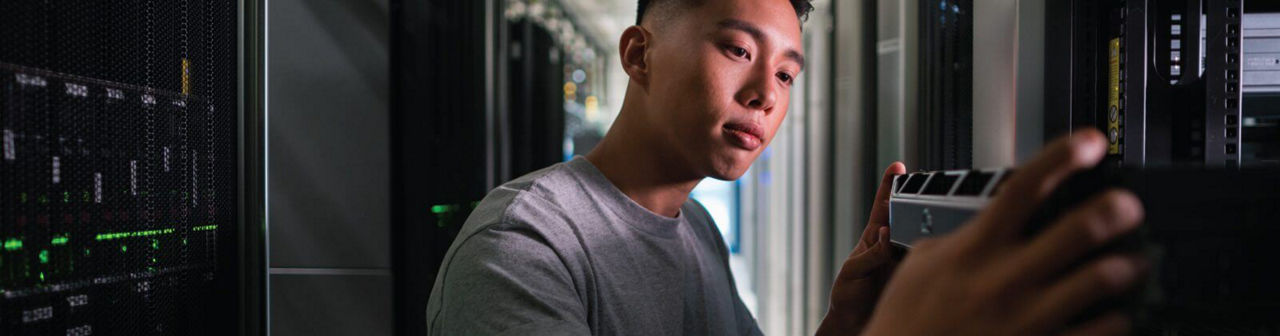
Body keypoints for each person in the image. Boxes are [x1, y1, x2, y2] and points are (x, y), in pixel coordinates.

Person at [426, 0, 1147, 334]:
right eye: (738, 50)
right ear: (639, 55)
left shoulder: (697, 232)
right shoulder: (523, 250)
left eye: (788, 74)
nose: (765, 94)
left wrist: (849, 321)